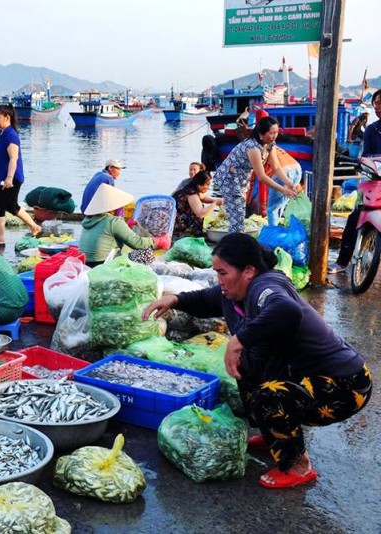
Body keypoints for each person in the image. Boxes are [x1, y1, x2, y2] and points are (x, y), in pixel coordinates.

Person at [142, 233, 372, 489]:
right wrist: (174, 299)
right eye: (216, 273)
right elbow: (207, 299)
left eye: (223, 273)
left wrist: (237, 340)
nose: (219, 281)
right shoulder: (232, 292)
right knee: (246, 368)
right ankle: (276, 435)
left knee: (268, 396)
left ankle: (298, 464)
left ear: (249, 271)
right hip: (305, 376)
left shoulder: (266, 287)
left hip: (345, 384)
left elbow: (287, 309)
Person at [213, 116, 297, 233]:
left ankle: (235, 243)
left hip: (241, 179)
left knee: (239, 216)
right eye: (271, 133)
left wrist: (289, 183)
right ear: (261, 134)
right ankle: (233, 245)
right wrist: (283, 190)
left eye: (276, 132)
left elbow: (276, 167)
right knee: (237, 219)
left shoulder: (270, 144)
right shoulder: (252, 147)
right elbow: (261, 176)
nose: (274, 136)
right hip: (229, 179)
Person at [329, 89, 381, 273]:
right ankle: (342, 261)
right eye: (377, 103)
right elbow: (367, 155)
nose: (378, 107)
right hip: (373, 181)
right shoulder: (372, 131)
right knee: (354, 217)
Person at [79, 184, 170, 267]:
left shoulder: (87, 220)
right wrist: (158, 241)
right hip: (105, 264)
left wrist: (126, 226)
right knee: (147, 253)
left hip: (86, 264)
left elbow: (107, 234)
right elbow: (137, 243)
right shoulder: (113, 221)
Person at [0, 103, 41, 246]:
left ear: (7, 117)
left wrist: (9, 178)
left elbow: (14, 158)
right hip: (7, 178)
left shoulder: (11, 135)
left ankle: (0, 238)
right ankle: (34, 226)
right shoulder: (3, 133)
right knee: (11, 206)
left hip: (11, 178)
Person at [172, 170, 223, 238]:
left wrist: (217, 200)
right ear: (199, 183)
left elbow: (203, 198)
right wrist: (215, 203)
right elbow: (200, 214)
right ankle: (191, 234)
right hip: (180, 224)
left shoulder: (192, 188)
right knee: (200, 211)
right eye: (207, 184)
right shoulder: (191, 194)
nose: (208, 187)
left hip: (177, 219)